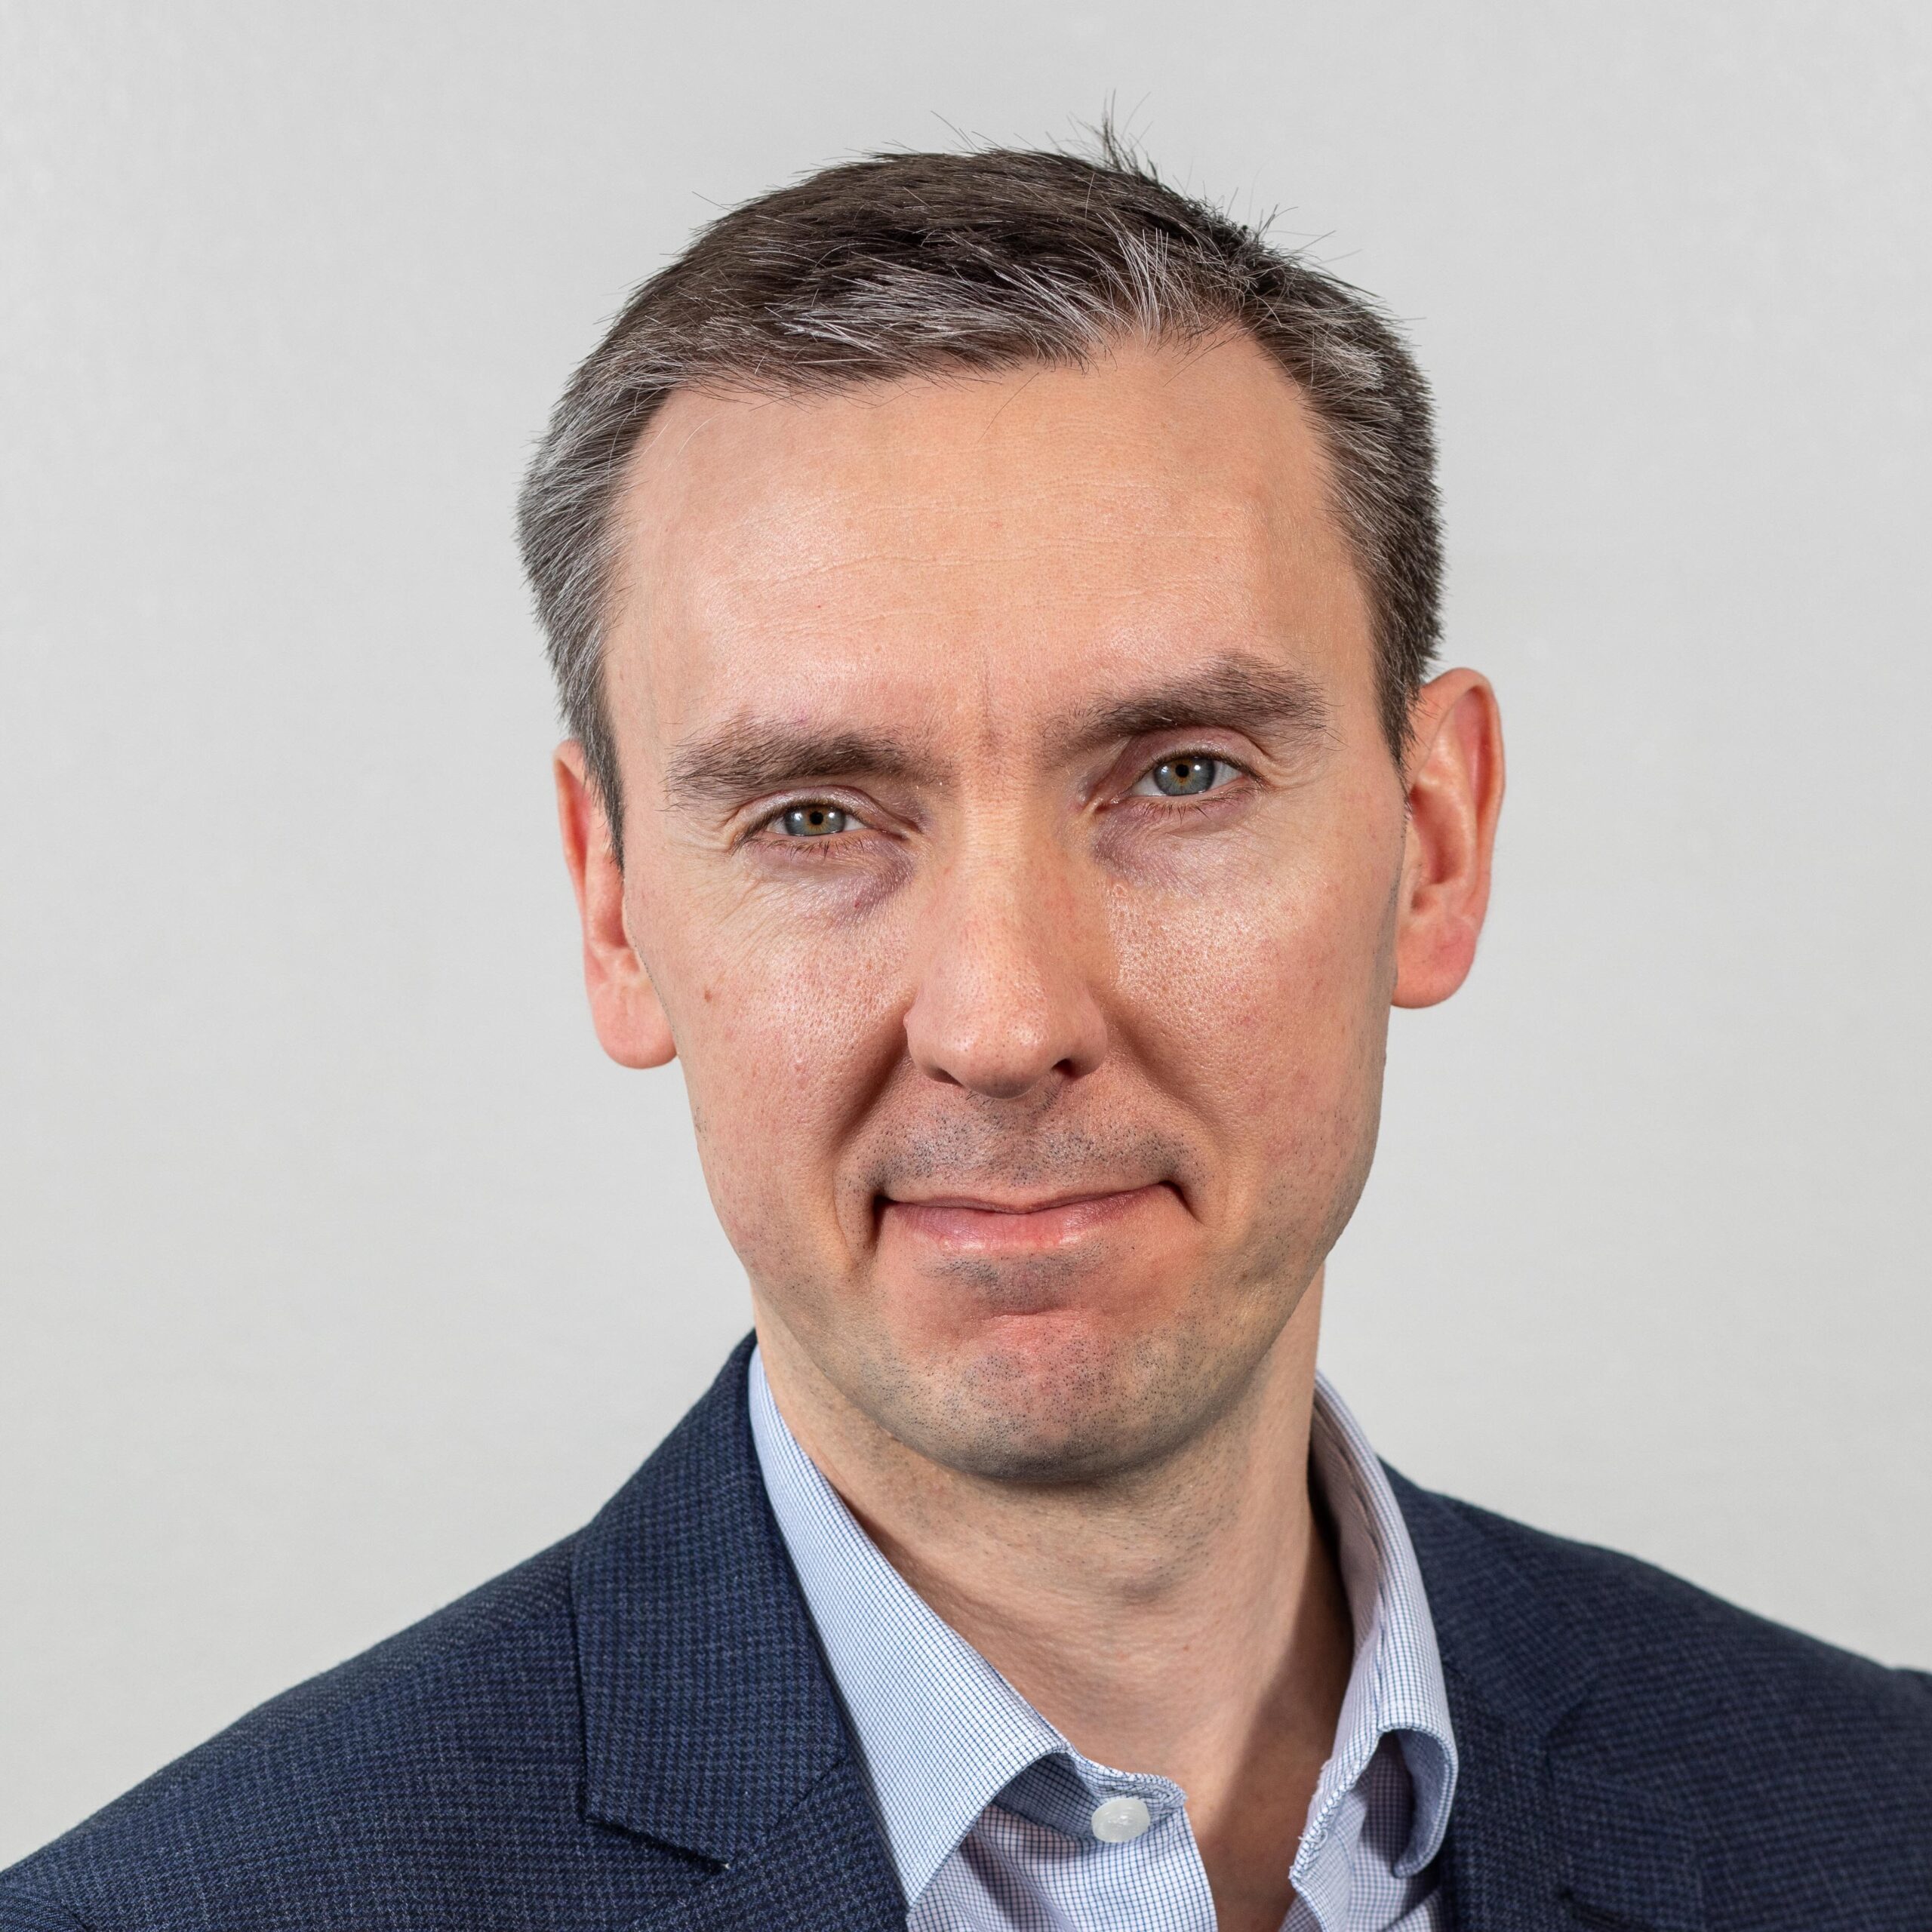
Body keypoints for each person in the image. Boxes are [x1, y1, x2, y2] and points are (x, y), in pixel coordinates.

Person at [5, 138, 1927, 1932]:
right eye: (816, 815)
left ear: (1432, 842)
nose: (1004, 1020)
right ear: (614, 908)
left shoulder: (1875, 1819)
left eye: (1178, 773)